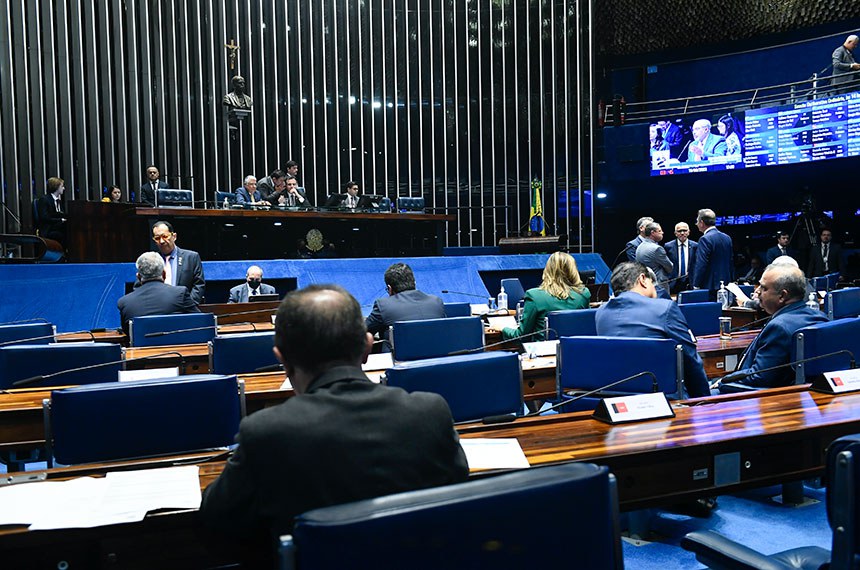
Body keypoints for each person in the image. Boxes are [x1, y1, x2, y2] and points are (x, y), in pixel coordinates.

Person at [200, 284, 468, 538]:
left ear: (282, 359)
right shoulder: (430, 413)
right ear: (367, 347)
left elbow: (215, 526)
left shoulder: (265, 433)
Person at [595, 262, 710, 398]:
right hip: (662, 400)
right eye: (652, 282)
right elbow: (691, 361)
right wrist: (705, 400)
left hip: (614, 399)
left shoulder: (601, 313)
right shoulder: (665, 309)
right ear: (642, 279)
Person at [716, 264, 828, 391]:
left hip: (761, 396)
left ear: (782, 296)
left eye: (764, 288)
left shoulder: (779, 327)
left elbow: (759, 377)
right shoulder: (819, 317)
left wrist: (724, 381)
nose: (757, 292)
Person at [500, 252, 591, 342]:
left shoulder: (534, 296)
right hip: (574, 349)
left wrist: (503, 329)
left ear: (547, 270)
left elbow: (521, 336)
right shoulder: (583, 294)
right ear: (574, 271)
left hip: (543, 350)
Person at [365, 263, 446, 347]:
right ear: (414, 283)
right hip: (437, 354)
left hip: (398, 355)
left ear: (389, 288)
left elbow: (361, 332)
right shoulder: (436, 302)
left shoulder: (383, 306)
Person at [117, 252, 200, 334]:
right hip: (176, 342)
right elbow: (200, 323)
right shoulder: (180, 294)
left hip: (143, 343)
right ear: (164, 274)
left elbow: (128, 332)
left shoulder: (124, 303)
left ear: (138, 277)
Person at [145, 221, 205, 305]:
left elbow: (198, 285)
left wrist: (188, 306)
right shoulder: (150, 260)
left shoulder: (191, 257)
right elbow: (140, 287)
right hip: (158, 307)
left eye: (165, 236)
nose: (161, 241)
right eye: (157, 238)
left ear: (174, 236)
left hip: (184, 308)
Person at [692, 208, 733, 301]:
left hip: (710, 286)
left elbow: (701, 264)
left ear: (701, 222)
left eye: (697, 221)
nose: (696, 224)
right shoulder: (727, 238)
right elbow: (731, 262)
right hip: (726, 284)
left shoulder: (704, 239)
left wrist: (696, 284)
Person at [635, 222, 674, 286]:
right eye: (659, 231)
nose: (662, 233)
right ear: (652, 233)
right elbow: (669, 267)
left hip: (645, 283)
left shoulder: (639, 247)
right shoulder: (657, 249)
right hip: (659, 284)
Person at [664, 222, 698, 293]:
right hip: (674, 282)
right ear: (675, 233)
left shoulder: (695, 246)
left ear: (689, 232)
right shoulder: (668, 246)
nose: (682, 233)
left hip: (690, 282)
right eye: (679, 231)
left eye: (685, 230)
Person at [36, 177, 68, 244]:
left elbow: (61, 214)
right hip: (49, 229)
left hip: (57, 227)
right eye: (62, 186)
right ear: (56, 187)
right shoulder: (44, 199)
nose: (64, 188)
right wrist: (60, 220)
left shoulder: (59, 201)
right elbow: (44, 217)